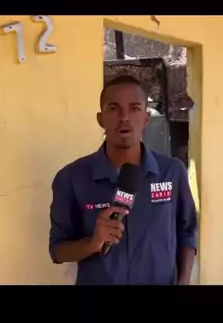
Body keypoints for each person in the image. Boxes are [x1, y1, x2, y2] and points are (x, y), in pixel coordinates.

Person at [49, 75, 198, 285]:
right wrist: (93, 242)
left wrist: (184, 281)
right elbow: (57, 251)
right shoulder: (71, 178)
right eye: (113, 108)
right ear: (100, 119)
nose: (124, 117)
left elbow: (187, 234)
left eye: (134, 108)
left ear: (146, 118)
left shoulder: (172, 172)